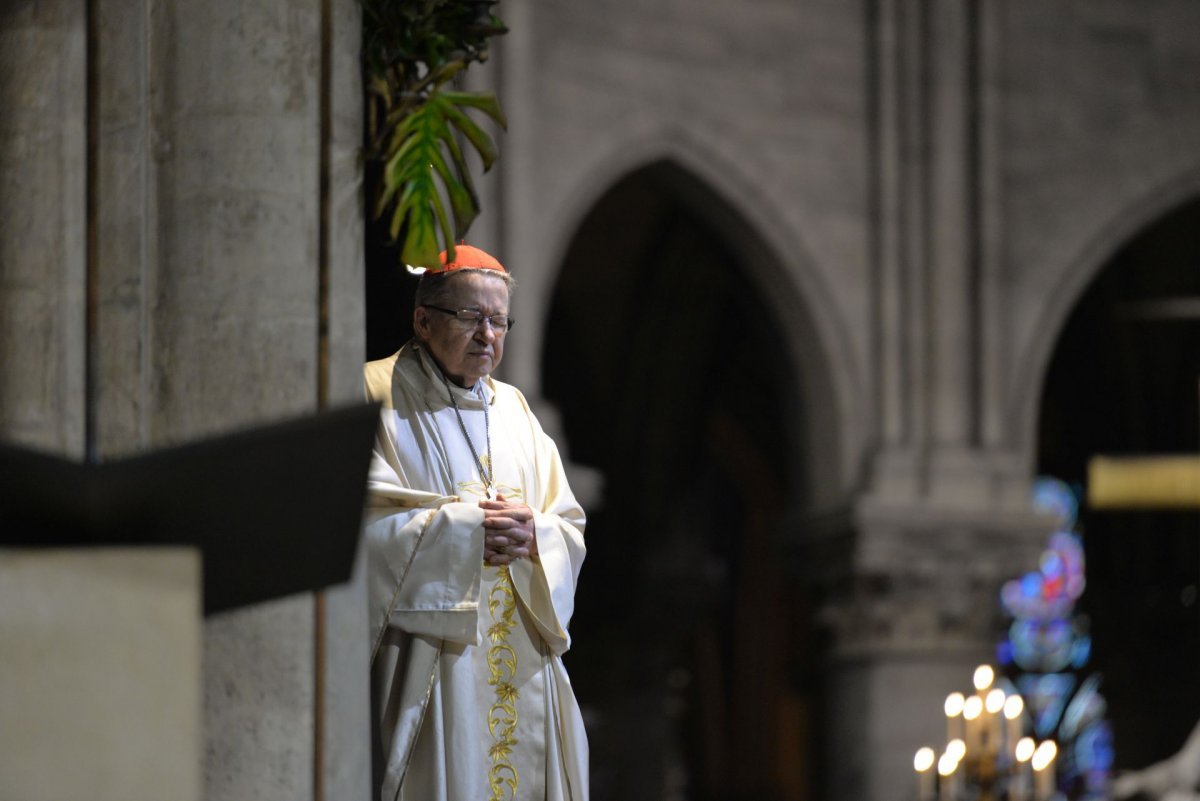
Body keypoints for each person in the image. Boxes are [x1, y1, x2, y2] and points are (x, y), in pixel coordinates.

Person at [363, 244, 589, 801]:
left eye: (498, 320)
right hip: (435, 665)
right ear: (423, 320)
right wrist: (464, 534)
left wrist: (536, 534)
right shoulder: (374, 391)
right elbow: (351, 525)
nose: (487, 334)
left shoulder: (515, 410)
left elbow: (568, 523)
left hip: (522, 660)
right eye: (470, 317)